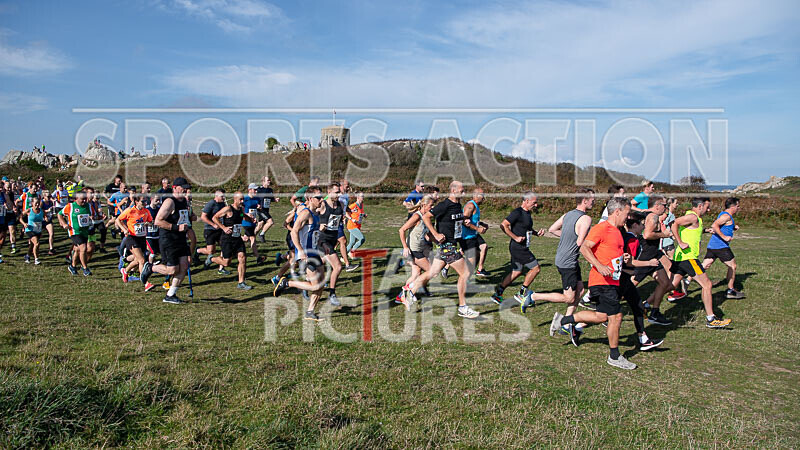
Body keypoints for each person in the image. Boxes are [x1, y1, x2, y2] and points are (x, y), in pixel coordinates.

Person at [550, 197, 637, 370]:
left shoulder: (617, 231)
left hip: (612, 280)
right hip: (602, 280)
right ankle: (614, 356)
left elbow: (609, 253)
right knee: (616, 317)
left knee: (601, 316)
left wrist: (623, 258)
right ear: (617, 211)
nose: (628, 217)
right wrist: (599, 265)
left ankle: (563, 320)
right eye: (627, 213)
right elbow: (583, 246)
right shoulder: (602, 228)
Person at [522, 189, 595, 338]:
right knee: (569, 297)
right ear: (585, 200)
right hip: (567, 262)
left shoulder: (568, 214)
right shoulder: (586, 219)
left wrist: (569, 236)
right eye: (592, 199)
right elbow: (581, 243)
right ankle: (533, 296)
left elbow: (552, 229)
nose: (594, 201)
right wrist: (595, 260)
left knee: (580, 291)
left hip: (567, 259)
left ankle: (566, 323)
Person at [411, 181, 480, 319]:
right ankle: (462, 307)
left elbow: (455, 224)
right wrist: (435, 234)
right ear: (453, 191)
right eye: (462, 190)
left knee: (433, 272)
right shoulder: (444, 205)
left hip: (451, 245)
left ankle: (409, 292)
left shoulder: (457, 205)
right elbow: (426, 217)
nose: (464, 193)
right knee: (465, 273)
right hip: (446, 246)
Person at [668, 197, 732, 328]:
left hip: (681, 257)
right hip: (689, 257)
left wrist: (705, 230)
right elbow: (673, 223)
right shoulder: (693, 217)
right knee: (707, 285)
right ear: (700, 206)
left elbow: (689, 229)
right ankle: (711, 319)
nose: (708, 210)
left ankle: (646, 305)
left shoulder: (694, 219)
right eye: (707, 207)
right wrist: (679, 242)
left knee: (670, 285)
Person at [273, 186, 327, 321]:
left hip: (315, 252)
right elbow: (294, 231)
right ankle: (287, 283)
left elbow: (312, 234)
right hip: (306, 254)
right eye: (318, 198)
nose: (321, 200)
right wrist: (300, 251)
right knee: (315, 285)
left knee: (321, 283)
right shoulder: (306, 213)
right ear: (309, 198)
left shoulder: (315, 213)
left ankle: (310, 312)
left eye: (322, 197)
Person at [141, 177, 195, 304]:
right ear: (175, 188)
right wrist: (177, 227)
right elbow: (158, 221)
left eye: (187, 188)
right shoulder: (170, 202)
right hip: (168, 239)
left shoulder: (184, 202)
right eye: (183, 187)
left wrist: (189, 219)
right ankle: (150, 267)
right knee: (172, 270)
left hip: (181, 238)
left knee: (184, 266)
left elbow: (182, 218)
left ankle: (170, 294)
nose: (186, 189)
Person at [619, 214, 665, 351]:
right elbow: (630, 261)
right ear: (634, 225)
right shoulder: (632, 240)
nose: (643, 226)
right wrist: (649, 263)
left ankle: (643, 339)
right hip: (623, 279)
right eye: (641, 224)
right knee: (604, 313)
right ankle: (573, 324)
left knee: (638, 307)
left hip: (625, 278)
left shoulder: (629, 237)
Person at [492, 192, 545, 305]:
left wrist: (536, 233)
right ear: (526, 201)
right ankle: (521, 294)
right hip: (518, 248)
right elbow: (503, 225)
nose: (536, 205)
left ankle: (498, 294)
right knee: (536, 268)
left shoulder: (527, 213)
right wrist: (515, 237)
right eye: (534, 203)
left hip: (520, 247)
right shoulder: (517, 213)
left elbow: (527, 228)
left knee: (516, 271)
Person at [630, 196, 674, 326]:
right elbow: (647, 235)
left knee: (664, 282)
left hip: (654, 256)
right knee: (629, 287)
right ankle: (608, 307)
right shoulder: (653, 217)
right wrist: (664, 235)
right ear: (657, 206)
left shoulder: (645, 213)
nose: (666, 208)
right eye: (664, 205)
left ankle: (654, 312)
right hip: (646, 256)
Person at [397, 194, 436, 309]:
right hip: (413, 249)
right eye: (431, 205)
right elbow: (401, 230)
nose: (432, 208)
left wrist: (437, 240)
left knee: (416, 274)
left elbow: (427, 234)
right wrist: (405, 247)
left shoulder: (426, 217)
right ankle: (409, 289)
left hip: (420, 248)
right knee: (431, 271)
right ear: (424, 205)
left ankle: (401, 296)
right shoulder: (417, 216)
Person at [210, 192, 254, 290]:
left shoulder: (241, 209)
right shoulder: (228, 209)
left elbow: (242, 215)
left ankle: (241, 282)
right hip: (227, 239)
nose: (242, 201)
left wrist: (250, 219)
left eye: (243, 199)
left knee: (242, 258)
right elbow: (214, 217)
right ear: (235, 199)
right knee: (226, 263)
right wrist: (223, 227)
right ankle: (212, 259)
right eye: (240, 199)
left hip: (237, 238)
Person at [702, 197, 745, 299]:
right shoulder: (726, 216)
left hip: (713, 245)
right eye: (738, 206)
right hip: (721, 246)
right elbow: (715, 225)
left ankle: (686, 280)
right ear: (733, 206)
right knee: (732, 266)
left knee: (704, 265)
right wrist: (724, 237)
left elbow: (722, 226)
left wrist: (733, 227)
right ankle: (730, 290)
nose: (738, 208)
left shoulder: (724, 214)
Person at [116, 194, 156, 291]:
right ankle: (146, 283)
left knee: (138, 260)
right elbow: (118, 220)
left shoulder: (146, 211)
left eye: (146, 201)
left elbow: (151, 221)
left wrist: (148, 223)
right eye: (143, 201)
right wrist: (124, 229)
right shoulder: (130, 210)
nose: (145, 203)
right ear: (137, 201)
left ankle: (125, 270)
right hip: (132, 237)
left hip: (142, 237)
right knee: (142, 260)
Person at [315, 183, 346, 306]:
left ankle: (308, 285)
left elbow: (337, 221)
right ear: (329, 192)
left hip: (333, 240)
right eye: (336, 192)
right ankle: (332, 294)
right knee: (338, 267)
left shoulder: (340, 204)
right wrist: (319, 227)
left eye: (339, 192)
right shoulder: (323, 204)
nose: (339, 194)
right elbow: (312, 217)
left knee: (319, 265)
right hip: (323, 241)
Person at [58, 190, 93, 276]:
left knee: (77, 250)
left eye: (85, 199)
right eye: (82, 199)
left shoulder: (88, 206)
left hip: (84, 231)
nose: (84, 201)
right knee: (83, 248)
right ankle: (85, 268)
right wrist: (64, 223)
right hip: (74, 231)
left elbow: (92, 216)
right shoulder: (70, 206)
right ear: (76, 198)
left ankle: (72, 266)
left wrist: (94, 217)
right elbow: (59, 214)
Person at [460, 188, 489, 276]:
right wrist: (478, 229)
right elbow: (464, 221)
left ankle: (480, 269)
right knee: (470, 261)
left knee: (484, 247)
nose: (484, 198)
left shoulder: (476, 206)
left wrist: (482, 224)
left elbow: (473, 220)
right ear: (476, 196)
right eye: (482, 196)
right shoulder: (470, 205)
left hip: (474, 235)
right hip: (467, 236)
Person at [198, 189, 227, 273]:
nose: (224, 198)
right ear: (216, 196)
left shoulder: (223, 204)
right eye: (222, 196)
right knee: (211, 251)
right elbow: (203, 217)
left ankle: (221, 268)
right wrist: (213, 224)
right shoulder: (211, 204)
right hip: (210, 230)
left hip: (220, 229)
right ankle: (197, 251)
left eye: (224, 196)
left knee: (224, 247)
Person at [242, 184, 264, 264]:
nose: (256, 191)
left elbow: (257, 207)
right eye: (254, 190)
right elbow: (240, 212)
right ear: (249, 190)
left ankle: (235, 240)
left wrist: (259, 207)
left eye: (256, 190)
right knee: (252, 238)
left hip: (253, 222)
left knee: (247, 238)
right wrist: (245, 215)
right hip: (245, 222)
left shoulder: (257, 198)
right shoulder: (244, 199)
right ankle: (258, 258)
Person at [255, 176, 278, 242]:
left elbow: (271, 199)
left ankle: (251, 238)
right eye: (268, 180)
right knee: (270, 222)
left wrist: (275, 199)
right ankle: (261, 234)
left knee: (260, 225)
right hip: (260, 209)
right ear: (263, 182)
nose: (269, 181)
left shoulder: (270, 190)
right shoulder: (259, 189)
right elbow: (254, 198)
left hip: (266, 210)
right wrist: (257, 204)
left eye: (269, 180)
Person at [346, 192, 366, 259]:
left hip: (357, 226)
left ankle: (343, 256)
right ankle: (351, 252)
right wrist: (351, 219)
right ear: (358, 197)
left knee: (352, 242)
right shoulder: (353, 205)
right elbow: (346, 213)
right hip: (352, 226)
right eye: (361, 196)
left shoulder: (362, 205)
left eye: (363, 196)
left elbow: (360, 213)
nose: (363, 197)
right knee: (362, 239)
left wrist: (364, 215)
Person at [24, 197, 44, 265]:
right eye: (36, 203)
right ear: (32, 203)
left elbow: (44, 218)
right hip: (29, 230)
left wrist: (46, 219)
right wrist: (24, 224)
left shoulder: (41, 211)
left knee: (32, 245)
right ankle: (36, 259)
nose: (37, 205)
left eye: (38, 203)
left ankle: (27, 256)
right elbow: (20, 216)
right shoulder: (29, 210)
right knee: (37, 243)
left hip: (38, 230)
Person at [40, 191, 56, 255]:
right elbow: (39, 210)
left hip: (48, 221)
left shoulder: (50, 202)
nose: (49, 198)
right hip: (41, 221)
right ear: (44, 196)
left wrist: (51, 214)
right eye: (48, 196)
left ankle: (51, 249)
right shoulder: (41, 202)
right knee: (37, 236)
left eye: (50, 196)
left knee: (51, 234)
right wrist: (47, 211)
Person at [0, 183, 12, 263]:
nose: (1, 189)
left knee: (3, 236)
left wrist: (7, 206)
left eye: (1, 187)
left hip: (3, 216)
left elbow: (4, 203)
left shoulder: (2, 194)